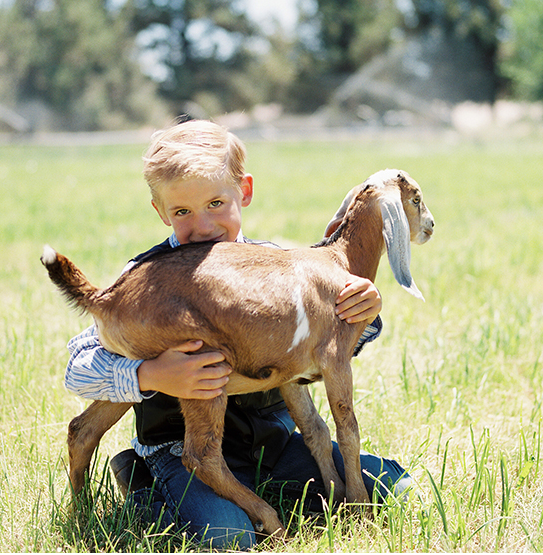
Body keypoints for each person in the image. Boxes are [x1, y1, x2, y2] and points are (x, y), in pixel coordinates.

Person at [64, 120, 413, 550]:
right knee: (229, 536)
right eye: (182, 212)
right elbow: (78, 368)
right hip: (180, 452)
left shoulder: (275, 262)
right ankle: (141, 484)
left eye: (215, 203)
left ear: (243, 191)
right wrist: (151, 375)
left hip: (274, 443)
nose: (204, 225)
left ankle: (273, 494)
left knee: (398, 488)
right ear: (160, 212)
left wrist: (365, 314)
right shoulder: (148, 281)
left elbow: (318, 352)